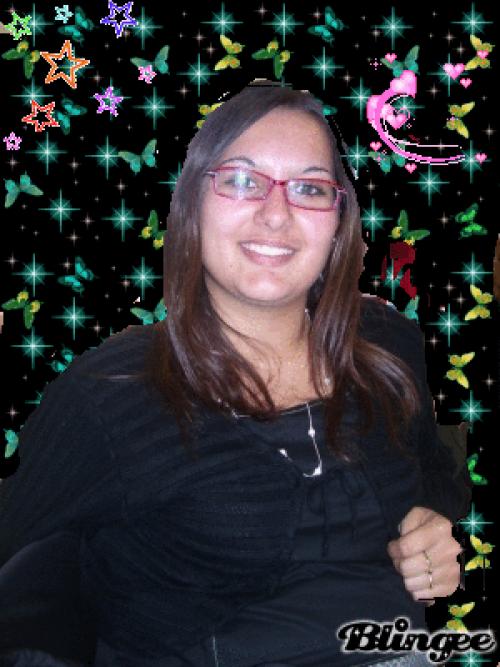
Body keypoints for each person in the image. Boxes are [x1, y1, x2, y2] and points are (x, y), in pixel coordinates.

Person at [0, 80, 471, 667]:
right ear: (193, 206)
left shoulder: (387, 342)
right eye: (242, 181)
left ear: (338, 221)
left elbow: (434, 472)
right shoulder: (112, 393)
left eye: (309, 188)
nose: (276, 215)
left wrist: (431, 523)